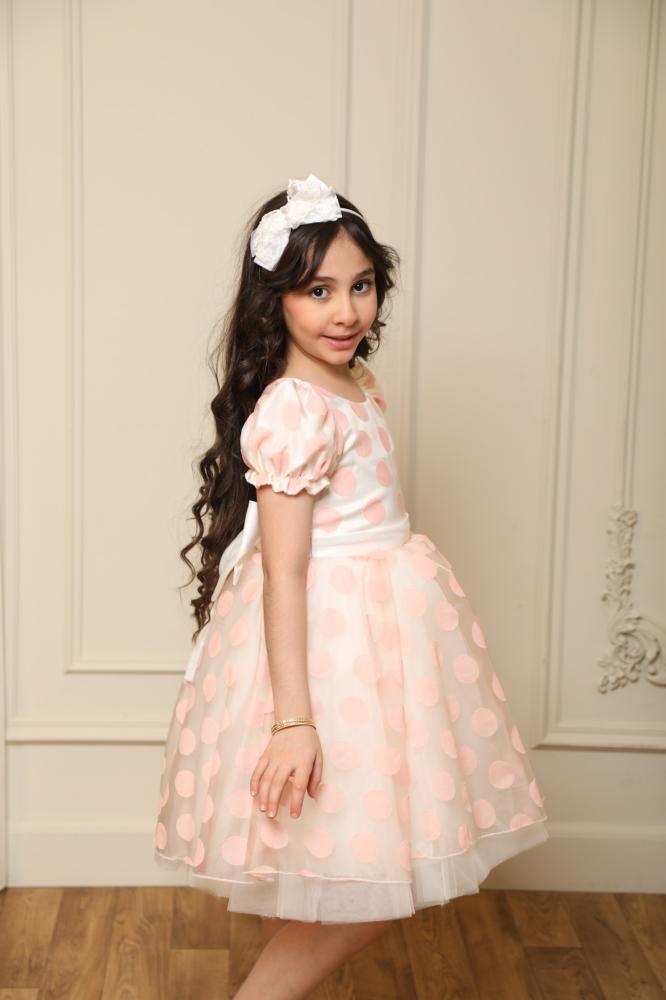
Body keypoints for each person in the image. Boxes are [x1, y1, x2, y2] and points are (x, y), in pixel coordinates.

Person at [153, 173, 549, 997]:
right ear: (275, 301)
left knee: (316, 865)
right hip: (331, 654)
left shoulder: (353, 385)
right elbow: (285, 570)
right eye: (318, 291)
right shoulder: (295, 408)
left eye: (360, 286)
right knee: (363, 883)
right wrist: (294, 721)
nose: (345, 312)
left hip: (385, 645)